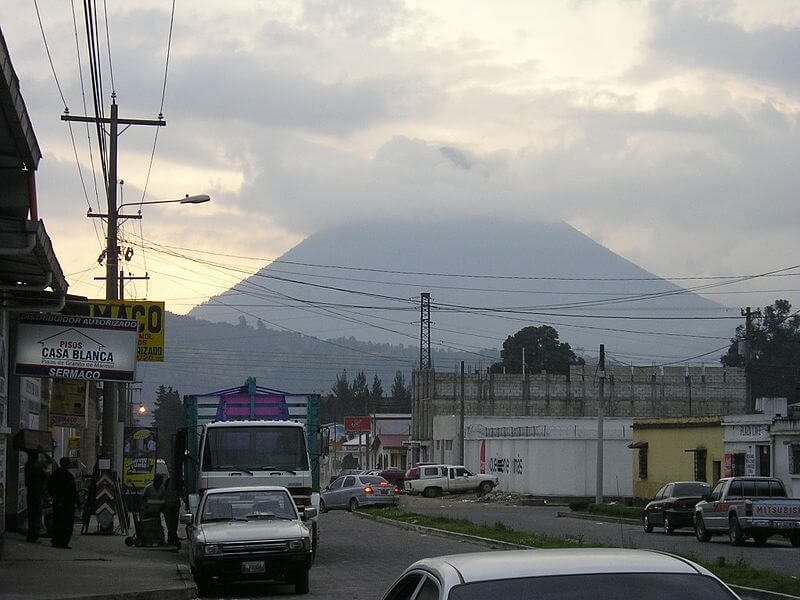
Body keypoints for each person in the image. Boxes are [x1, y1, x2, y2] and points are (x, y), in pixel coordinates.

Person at [48, 457, 77, 549]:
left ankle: (56, 541)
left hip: (57, 503)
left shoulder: (55, 474)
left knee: (57, 521)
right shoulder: (69, 476)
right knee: (67, 524)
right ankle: (63, 542)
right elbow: (73, 491)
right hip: (67, 504)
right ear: (68, 465)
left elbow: (50, 487)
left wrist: (54, 497)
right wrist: (76, 502)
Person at [23, 448, 48, 543]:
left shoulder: (28, 465)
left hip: (30, 491)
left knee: (31, 514)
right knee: (37, 514)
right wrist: (43, 452)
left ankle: (31, 535)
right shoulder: (37, 466)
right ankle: (34, 536)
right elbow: (49, 464)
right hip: (38, 492)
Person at [142, 474, 166, 545]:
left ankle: (159, 540)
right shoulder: (148, 488)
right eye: (160, 481)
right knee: (147, 526)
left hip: (157, 511)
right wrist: (145, 506)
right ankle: (148, 540)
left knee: (157, 526)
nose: (161, 483)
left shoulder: (162, 488)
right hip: (148, 511)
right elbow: (143, 498)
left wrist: (161, 507)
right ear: (156, 481)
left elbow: (163, 499)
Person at [162, 476, 181, 547]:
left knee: (173, 524)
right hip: (169, 507)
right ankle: (173, 538)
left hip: (173, 507)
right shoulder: (168, 483)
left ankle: (172, 539)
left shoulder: (173, 484)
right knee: (170, 525)